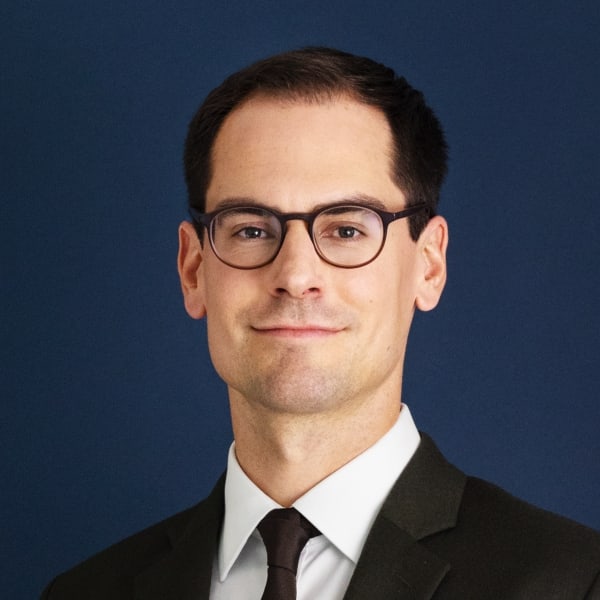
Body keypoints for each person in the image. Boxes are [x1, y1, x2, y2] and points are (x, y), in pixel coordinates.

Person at [42, 47, 599, 599]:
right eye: (251, 229)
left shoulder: (574, 583)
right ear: (193, 270)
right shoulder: (84, 592)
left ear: (428, 266)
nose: (295, 275)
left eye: (347, 229)